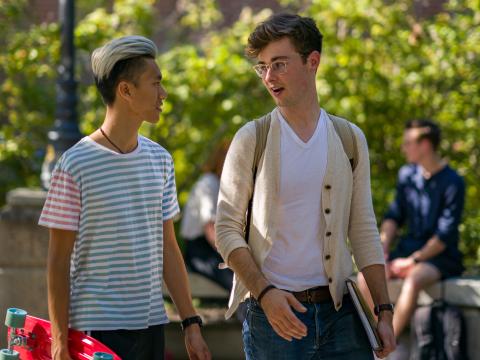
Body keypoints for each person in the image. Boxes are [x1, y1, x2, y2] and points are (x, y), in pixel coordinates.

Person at [215, 13, 396, 360]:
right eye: (263, 67)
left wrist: (384, 311)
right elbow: (226, 230)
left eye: (279, 64)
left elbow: (363, 230)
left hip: (342, 316)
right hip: (272, 317)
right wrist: (265, 293)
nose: (269, 76)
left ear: (312, 62)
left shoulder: (348, 139)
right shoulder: (252, 138)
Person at [39, 35, 211, 360]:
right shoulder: (75, 165)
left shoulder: (161, 160)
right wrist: (59, 342)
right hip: (95, 330)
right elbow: (58, 263)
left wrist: (191, 323)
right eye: (156, 83)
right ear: (126, 90)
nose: (164, 94)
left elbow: (168, 249)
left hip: (151, 325)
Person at [358, 119, 465, 339]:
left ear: (425, 145)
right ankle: (375, 334)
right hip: (408, 249)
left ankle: (387, 345)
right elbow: (394, 217)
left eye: (408, 142)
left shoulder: (454, 182)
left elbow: (444, 235)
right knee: (365, 276)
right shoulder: (407, 175)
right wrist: (382, 248)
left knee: (413, 280)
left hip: (439, 256)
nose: (403, 147)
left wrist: (413, 261)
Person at [180, 140, 233, 291]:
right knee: (238, 280)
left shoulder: (223, 186)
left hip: (214, 248)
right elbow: (211, 229)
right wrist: (233, 257)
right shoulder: (208, 184)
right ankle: (245, 314)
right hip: (200, 252)